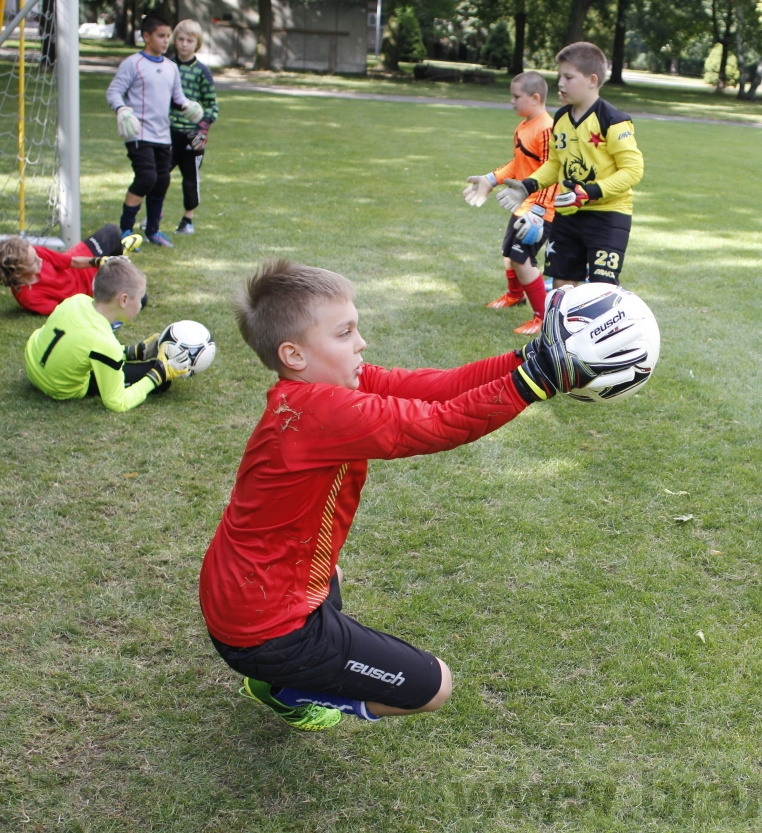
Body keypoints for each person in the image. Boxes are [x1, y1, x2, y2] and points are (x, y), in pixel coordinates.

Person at [199, 261, 643, 731]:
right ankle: (288, 689)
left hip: (237, 589)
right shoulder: (321, 411)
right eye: (344, 333)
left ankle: (275, 672)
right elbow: (436, 425)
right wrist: (536, 382)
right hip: (262, 628)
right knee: (434, 688)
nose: (361, 342)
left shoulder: (320, 390)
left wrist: (527, 359)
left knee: (329, 570)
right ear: (294, 354)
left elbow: (438, 388)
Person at [495, 42, 643, 288]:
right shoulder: (562, 117)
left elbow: (632, 170)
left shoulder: (613, 120)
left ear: (592, 80)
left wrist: (590, 192)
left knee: (601, 288)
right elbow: (555, 163)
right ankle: (561, 327)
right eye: (559, 76)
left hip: (608, 216)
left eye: (568, 77)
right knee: (561, 284)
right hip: (567, 214)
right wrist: (527, 186)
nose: (560, 83)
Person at [23, 258, 189, 412]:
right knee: (163, 382)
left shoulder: (76, 300)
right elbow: (117, 402)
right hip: (57, 387)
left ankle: (137, 354)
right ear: (123, 300)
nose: (140, 304)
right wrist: (159, 373)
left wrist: (134, 352)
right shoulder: (105, 343)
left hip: (33, 366)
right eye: (139, 299)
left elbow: (83, 345)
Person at [461, 70, 558, 335]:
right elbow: (519, 164)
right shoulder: (524, 126)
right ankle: (515, 295)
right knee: (509, 253)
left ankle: (542, 317)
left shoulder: (547, 128)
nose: (512, 101)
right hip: (523, 204)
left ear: (535, 97)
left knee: (521, 256)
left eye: (517, 96)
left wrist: (540, 210)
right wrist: (491, 179)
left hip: (539, 209)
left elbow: (555, 169)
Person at [106, 14, 204, 248]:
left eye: (168, 36)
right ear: (146, 36)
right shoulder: (133, 63)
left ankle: (153, 230)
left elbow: (177, 98)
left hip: (163, 135)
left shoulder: (171, 67)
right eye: (161, 36)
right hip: (139, 134)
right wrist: (122, 109)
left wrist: (189, 107)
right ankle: (126, 230)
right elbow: (114, 91)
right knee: (146, 177)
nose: (165, 41)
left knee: (161, 181)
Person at [2, 225, 142, 315]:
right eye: (33, 261)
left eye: (36, 256)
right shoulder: (29, 298)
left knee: (112, 231)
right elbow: (66, 311)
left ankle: (116, 261)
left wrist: (99, 261)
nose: (39, 259)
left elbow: (71, 261)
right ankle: (118, 267)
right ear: (19, 273)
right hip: (93, 289)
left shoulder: (37, 252)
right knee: (138, 298)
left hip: (83, 262)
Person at [168, 18, 219, 236]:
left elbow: (212, 105)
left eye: (190, 40)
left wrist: (203, 126)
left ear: (197, 43)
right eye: (181, 39)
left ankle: (188, 219)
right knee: (158, 175)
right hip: (167, 132)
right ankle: (153, 217)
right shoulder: (167, 67)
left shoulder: (202, 72)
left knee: (191, 177)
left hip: (194, 134)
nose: (184, 44)